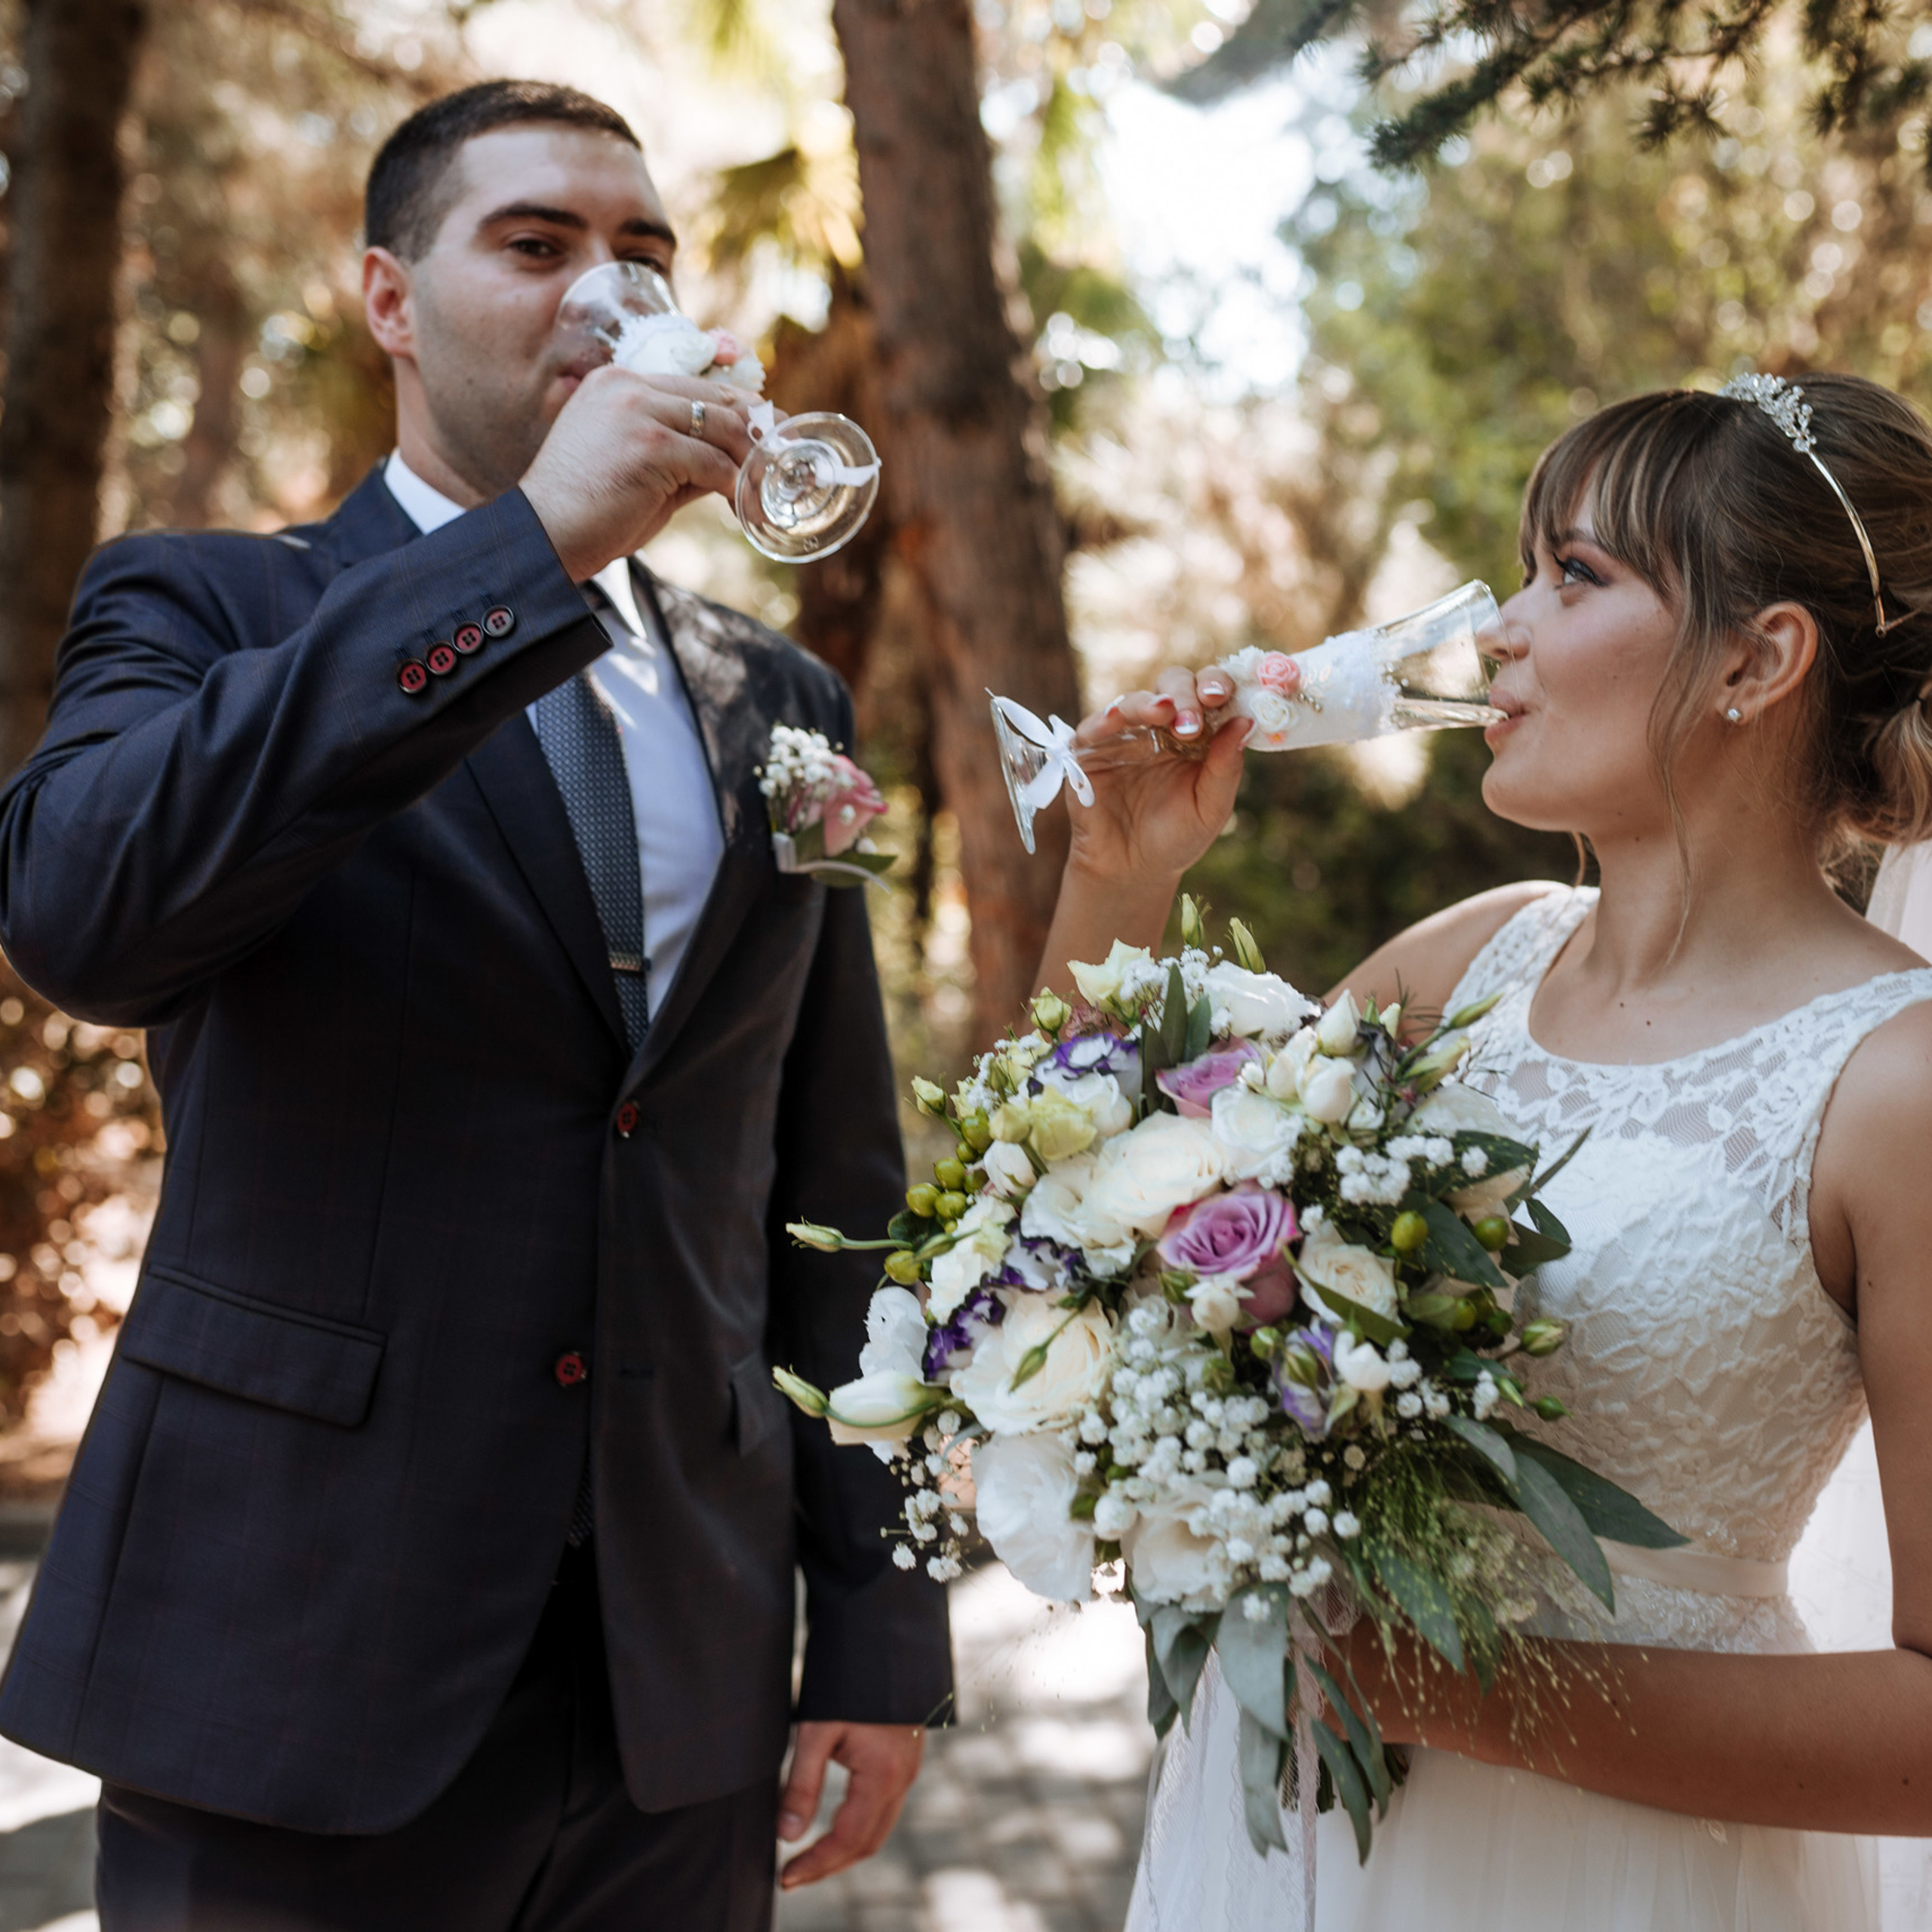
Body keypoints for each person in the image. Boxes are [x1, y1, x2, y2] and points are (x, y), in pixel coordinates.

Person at [0, 79, 949, 1931]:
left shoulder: (785, 706)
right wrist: (530, 553)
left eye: (643, 254)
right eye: (535, 244)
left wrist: (879, 1615)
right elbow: (79, 918)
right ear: (389, 300)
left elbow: (832, 1182)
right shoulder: (208, 610)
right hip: (292, 1660)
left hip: (677, 1686)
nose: (605, 289)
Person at [1038, 374, 1932, 1930]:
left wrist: (1451, 1683)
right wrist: (1120, 878)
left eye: (1570, 575)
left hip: (1643, 1873)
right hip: (1304, 1846)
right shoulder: (1471, 962)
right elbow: (1085, 1216)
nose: (1495, 629)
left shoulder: (1894, 1081)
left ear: (1755, 656)